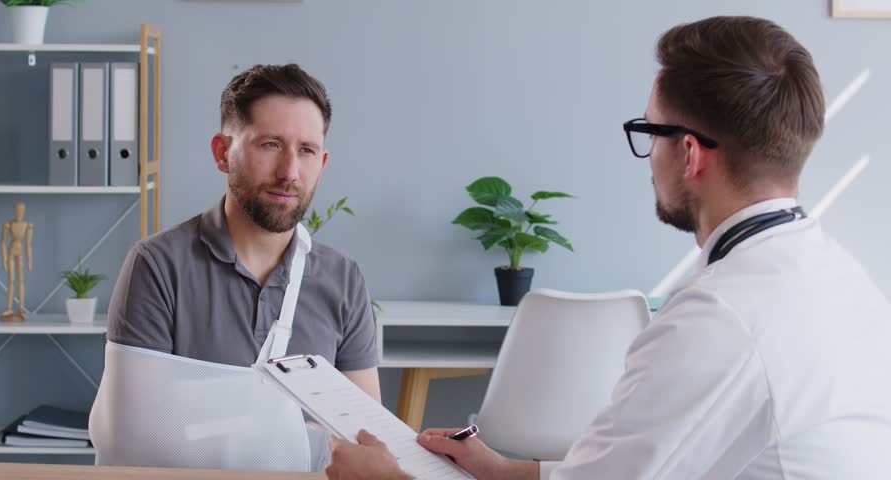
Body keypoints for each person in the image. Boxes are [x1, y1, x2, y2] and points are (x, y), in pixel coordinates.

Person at [324, 16, 891, 480]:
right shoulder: (841, 279)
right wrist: (504, 471)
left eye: (649, 132)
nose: (646, 158)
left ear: (690, 154)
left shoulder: (719, 316)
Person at [107, 64, 380, 399]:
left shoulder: (344, 279)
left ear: (321, 164)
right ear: (223, 153)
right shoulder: (158, 268)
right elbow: (140, 423)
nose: (290, 172)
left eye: (306, 150)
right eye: (271, 144)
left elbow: (363, 426)